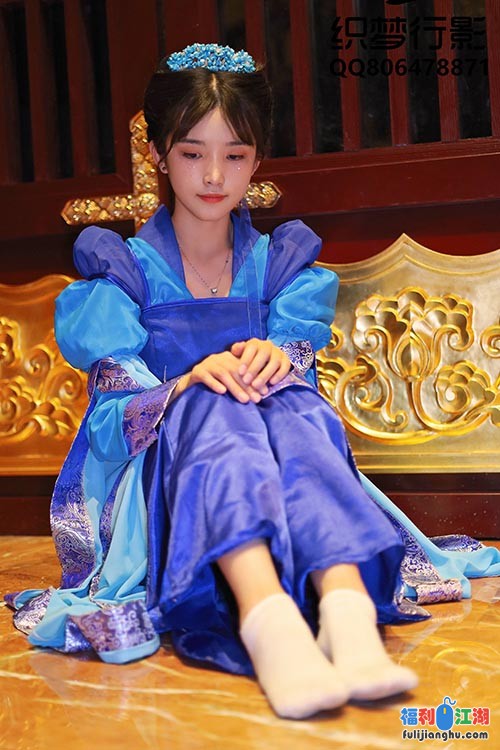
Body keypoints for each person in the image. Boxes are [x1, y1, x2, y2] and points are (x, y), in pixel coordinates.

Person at [7, 44, 500, 720]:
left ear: (258, 160)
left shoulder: (279, 266)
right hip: (169, 478)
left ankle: (348, 616)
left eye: (235, 155)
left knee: (290, 400)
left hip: (278, 457)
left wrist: (277, 361)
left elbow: (303, 401)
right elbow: (109, 426)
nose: (214, 175)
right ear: (158, 155)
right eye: (192, 153)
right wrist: (184, 385)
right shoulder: (123, 274)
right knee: (214, 403)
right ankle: (272, 625)